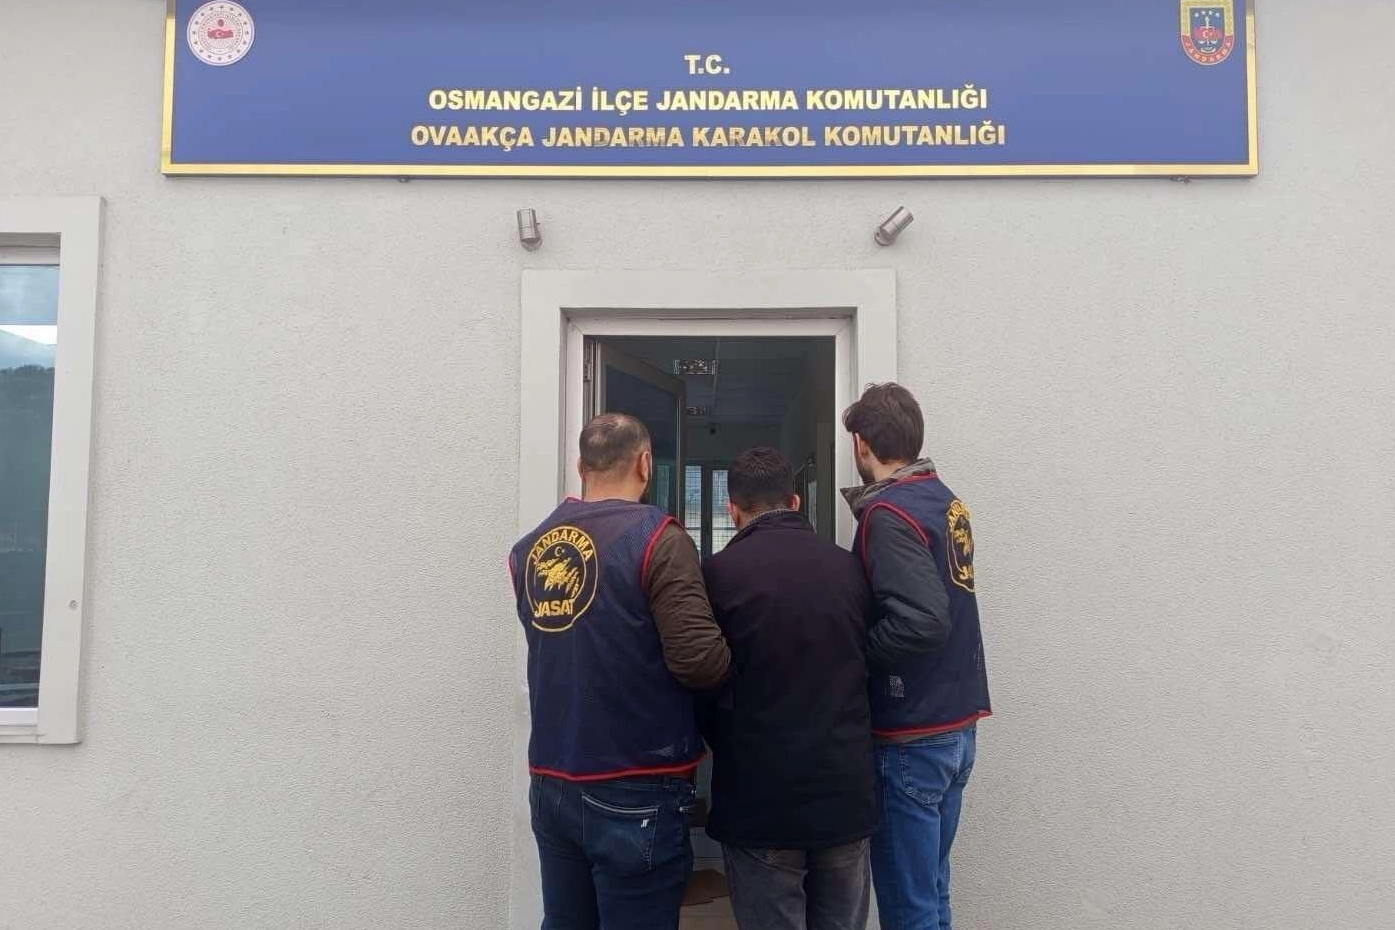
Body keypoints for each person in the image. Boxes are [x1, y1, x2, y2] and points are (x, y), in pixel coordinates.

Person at [509, 413, 732, 930]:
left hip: (552, 778)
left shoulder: (529, 550)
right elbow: (699, 660)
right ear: (646, 464)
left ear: (580, 466)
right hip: (635, 782)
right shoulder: (657, 538)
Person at [700, 447, 878, 930]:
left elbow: (701, 680)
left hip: (759, 800)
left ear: (732, 510)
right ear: (795, 501)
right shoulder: (850, 568)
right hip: (844, 795)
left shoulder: (716, 576)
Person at [841, 383, 992, 930]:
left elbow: (923, 622)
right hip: (956, 726)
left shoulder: (888, 513)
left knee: (910, 909)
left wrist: (854, 657)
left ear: (861, 444)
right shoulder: (945, 501)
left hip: (911, 733)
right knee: (932, 893)